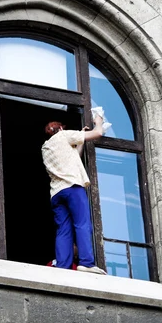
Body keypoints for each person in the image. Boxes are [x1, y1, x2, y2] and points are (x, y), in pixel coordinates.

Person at [41, 116, 106, 274]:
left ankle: (63, 266)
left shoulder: (46, 147)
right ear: (61, 129)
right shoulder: (64, 135)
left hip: (57, 193)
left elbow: (72, 157)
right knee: (82, 223)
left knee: (63, 230)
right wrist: (98, 121)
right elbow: (98, 133)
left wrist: (80, 139)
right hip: (73, 187)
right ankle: (86, 262)